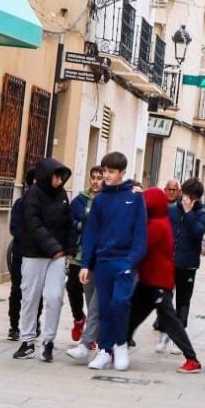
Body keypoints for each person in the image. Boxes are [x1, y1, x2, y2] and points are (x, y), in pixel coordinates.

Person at [79, 152, 147, 371]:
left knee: (120, 303)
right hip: (103, 262)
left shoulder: (135, 199)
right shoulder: (99, 200)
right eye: (104, 171)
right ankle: (105, 350)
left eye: (111, 172)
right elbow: (91, 234)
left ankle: (120, 345)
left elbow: (140, 235)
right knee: (106, 308)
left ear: (122, 173)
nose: (106, 176)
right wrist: (86, 264)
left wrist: (131, 261)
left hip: (125, 261)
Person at [124, 187, 202, 373]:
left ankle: (192, 359)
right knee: (132, 316)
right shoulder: (157, 221)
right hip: (149, 280)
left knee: (169, 321)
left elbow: (141, 248)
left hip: (158, 282)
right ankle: (117, 345)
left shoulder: (156, 226)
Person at [13, 158, 74, 362]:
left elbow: (68, 222)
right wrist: (54, 247)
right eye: (57, 176)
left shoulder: (62, 195)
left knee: (55, 297)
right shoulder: (32, 195)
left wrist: (70, 247)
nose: (60, 180)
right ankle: (28, 340)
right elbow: (33, 224)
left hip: (57, 255)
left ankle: (49, 341)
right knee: (30, 297)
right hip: (34, 254)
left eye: (62, 177)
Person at [66, 166, 103, 345]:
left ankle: (92, 334)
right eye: (93, 178)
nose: (96, 181)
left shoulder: (106, 200)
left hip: (96, 256)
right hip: (78, 252)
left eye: (99, 178)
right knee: (73, 287)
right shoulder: (80, 200)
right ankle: (79, 318)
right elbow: (68, 221)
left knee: (92, 296)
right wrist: (79, 225)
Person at [169, 178, 205, 339]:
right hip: (170, 261)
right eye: (185, 195)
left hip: (188, 264)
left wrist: (188, 212)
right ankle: (164, 323)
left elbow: (198, 233)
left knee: (183, 299)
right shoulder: (172, 209)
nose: (186, 200)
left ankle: (180, 329)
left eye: (191, 197)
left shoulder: (202, 213)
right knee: (163, 295)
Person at [7, 168, 39, 341]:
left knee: (37, 292)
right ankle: (14, 325)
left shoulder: (48, 205)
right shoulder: (20, 204)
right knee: (17, 289)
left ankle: (35, 323)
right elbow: (15, 228)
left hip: (40, 255)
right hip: (21, 252)